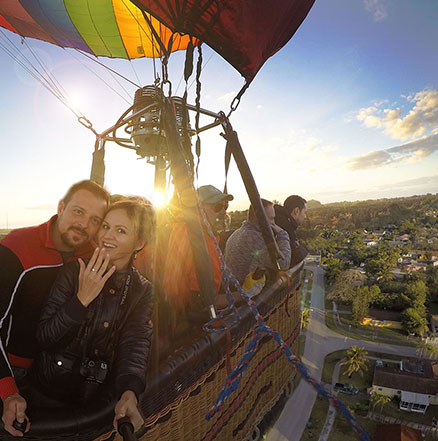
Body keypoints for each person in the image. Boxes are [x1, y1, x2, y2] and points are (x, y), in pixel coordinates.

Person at [0, 180, 109, 437]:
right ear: (61, 207)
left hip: (57, 373)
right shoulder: (16, 248)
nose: (84, 225)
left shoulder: (90, 254)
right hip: (14, 371)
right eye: (78, 212)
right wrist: (8, 391)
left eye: (95, 220)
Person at [35, 198, 154, 432]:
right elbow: (44, 337)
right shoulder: (74, 271)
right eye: (106, 226)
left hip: (98, 401)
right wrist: (81, 300)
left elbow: (136, 342)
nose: (107, 236)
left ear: (139, 243)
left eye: (120, 231)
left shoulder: (142, 289)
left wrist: (129, 391)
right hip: (48, 397)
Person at [162, 185, 233, 326]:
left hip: (175, 313)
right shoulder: (201, 240)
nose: (223, 212)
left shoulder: (183, 227)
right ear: (199, 209)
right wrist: (247, 294)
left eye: (225, 206)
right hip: (191, 321)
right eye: (217, 207)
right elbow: (205, 301)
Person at [225, 199, 291, 285]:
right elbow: (284, 263)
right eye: (271, 219)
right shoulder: (256, 239)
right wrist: (283, 234)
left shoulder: (236, 234)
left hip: (234, 290)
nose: (274, 223)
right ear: (259, 217)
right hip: (247, 294)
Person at [274, 195, 308, 267]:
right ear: (296, 211)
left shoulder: (281, 221)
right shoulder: (285, 227)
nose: (305, 216)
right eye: (304, 212)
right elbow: (295, 258)